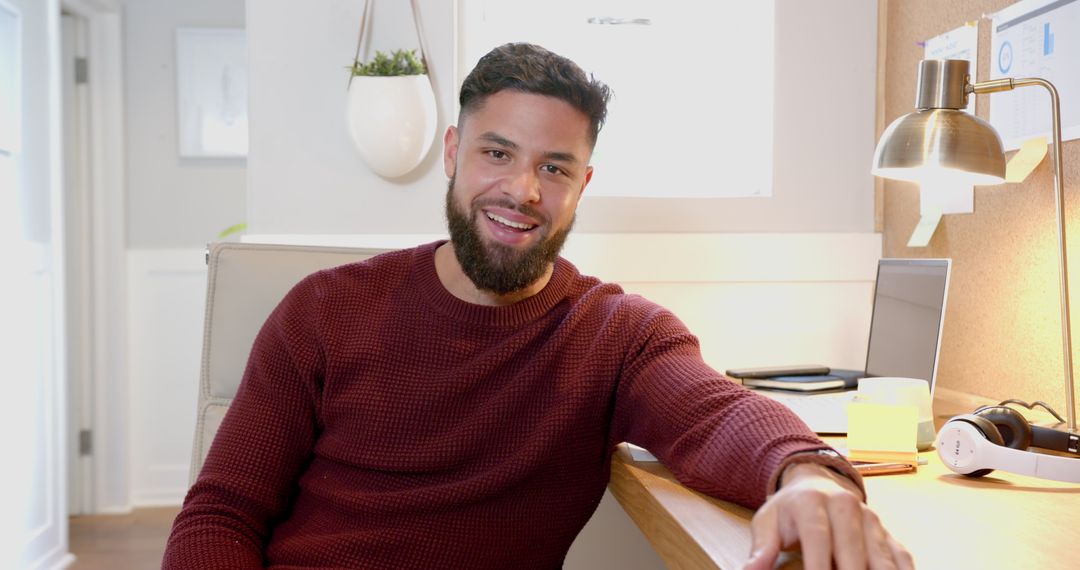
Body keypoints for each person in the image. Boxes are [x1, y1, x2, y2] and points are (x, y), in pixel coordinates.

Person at [163, 43, 913, 570]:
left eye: (554, 167)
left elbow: (715, 413)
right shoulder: (324, 311)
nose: (523, 190)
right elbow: (220, 517)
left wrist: (809, 474)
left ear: (583, 185)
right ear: (454, 153)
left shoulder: (615, 335)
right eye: (498, 153)